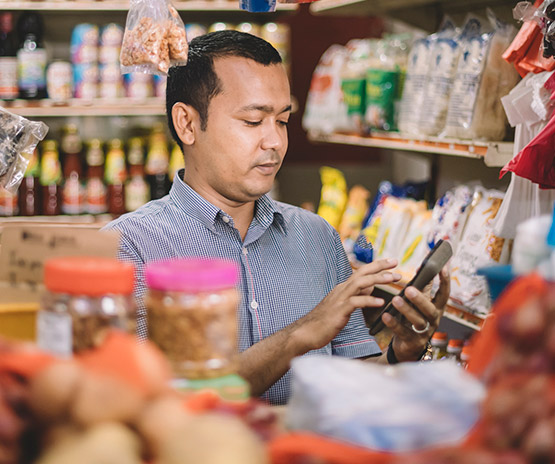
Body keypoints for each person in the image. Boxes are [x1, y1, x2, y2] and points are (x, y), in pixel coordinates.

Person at [103, 30, 450, 405]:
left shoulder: (318, 237)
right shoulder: (127, 249)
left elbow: (351, 381)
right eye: (253, 121)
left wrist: (403, 351)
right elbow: (146, 403)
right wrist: (300, 335)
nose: (275, 142)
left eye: (282, 121)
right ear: (187, 124)